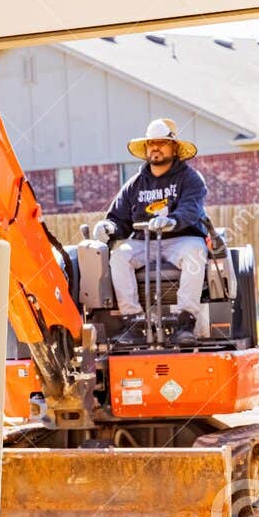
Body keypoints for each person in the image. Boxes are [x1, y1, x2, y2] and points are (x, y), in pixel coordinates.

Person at [91, 117, 211, 347]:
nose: (156, 148)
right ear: (146, 149)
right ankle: (133, 322)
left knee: (196, 252)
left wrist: (172, 221)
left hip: (182, 239)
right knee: (119, 255)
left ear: (174, 148)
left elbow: (191, 210)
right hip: (145, 241)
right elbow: (119, 218)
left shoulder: (191, 179)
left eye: (162, 143)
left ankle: (185, 323)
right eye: (151, 143)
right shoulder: (134, 184)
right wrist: (109, 227)